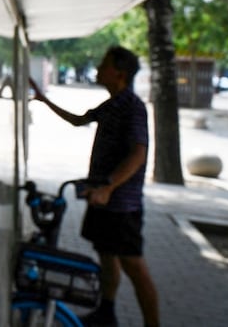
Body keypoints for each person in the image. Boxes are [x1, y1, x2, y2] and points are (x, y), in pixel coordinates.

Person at [29, 46, 159, 327]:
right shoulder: (112, 103)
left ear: (119, 73)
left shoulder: (132, 107)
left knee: (134, 266)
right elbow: (78, 120)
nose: (98, 69)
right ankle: (107, 313)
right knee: (107, 256)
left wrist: (109, 187)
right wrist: (43, 100)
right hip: (102, 199)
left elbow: (138, 153)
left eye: (104, 65)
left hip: (121, 204)